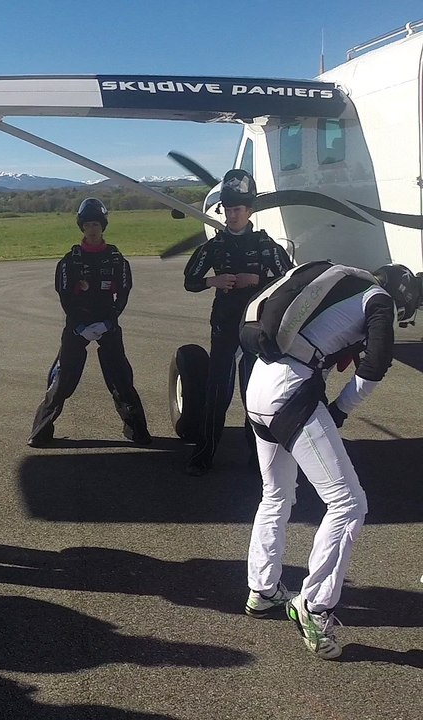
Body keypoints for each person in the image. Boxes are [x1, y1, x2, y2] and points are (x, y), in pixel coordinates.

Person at [242, 262, 418, 660]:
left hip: (259, 383)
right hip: (291, 392)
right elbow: (375, 366)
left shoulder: (342, 288)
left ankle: (263, 589)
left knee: (276, 495)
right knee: (349, 503)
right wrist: (340, 409)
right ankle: (315, 606)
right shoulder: (378, 299)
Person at [182, 170, 294, 475]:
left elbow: (290, 280)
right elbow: (190, 281)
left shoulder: (266, 245)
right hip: (224, 325)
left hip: (256, 327)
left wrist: (258, 279)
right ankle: (204, 453)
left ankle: (258, 458)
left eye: (238, 210)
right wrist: (213, 281)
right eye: (228, 210)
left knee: (254, 392)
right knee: (217, 389)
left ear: (250, 211)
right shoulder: (214, 247)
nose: (232, 216)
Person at [28, 198, 151, 447]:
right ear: (81, 227)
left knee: (121, 378)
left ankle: (137, 429)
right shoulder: (69, 260)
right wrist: (79, 327)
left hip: (108, 322)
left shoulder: (117, 259)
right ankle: (40, 430)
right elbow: (64, 296)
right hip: (77, 324)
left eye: (96, 224)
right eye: (87, 225)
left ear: (103, 226)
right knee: (63, 379)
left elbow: (124, 293)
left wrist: (109, 321)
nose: (92, 229)